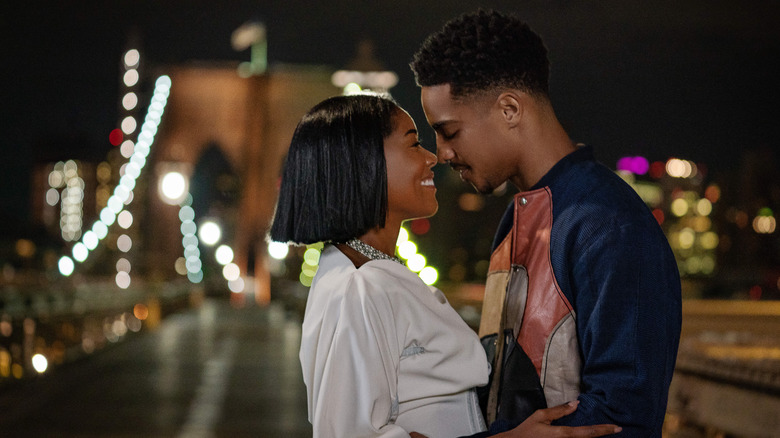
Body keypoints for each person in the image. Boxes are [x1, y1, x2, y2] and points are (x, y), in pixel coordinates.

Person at [269, 94, 621, 438]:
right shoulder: (357, 287)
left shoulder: (370, 274)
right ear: (364, 164)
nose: (432, 157)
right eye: (413, 144)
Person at [410, 9, 682, 437]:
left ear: (510, 108)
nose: (441, 153)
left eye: (450, 131)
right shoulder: (517, 219)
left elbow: (623, 418)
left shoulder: (608, 226)